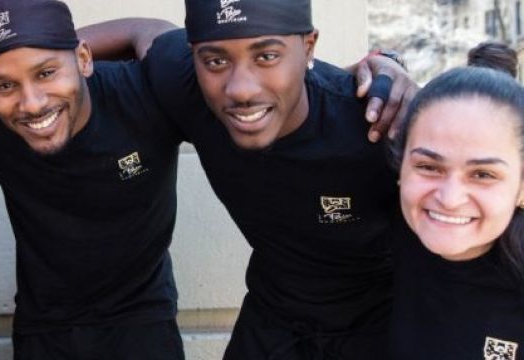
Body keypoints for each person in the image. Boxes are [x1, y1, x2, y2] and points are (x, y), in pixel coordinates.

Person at [96, 0, 412, 358]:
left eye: (267, 57)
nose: (241, 89)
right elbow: (143, 30)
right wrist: (34, 63)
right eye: (215, 60)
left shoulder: (375, 125)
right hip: (271, 324)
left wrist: (391, 61)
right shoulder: (186, 83)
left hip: (377, 328)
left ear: (308, 46)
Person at [0, 0, 186, 358]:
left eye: (46, 73)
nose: (31, 103)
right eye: (5, 84)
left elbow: (164, 37)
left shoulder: (142, 94)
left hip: (142, 317)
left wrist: (26, 46)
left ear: (83, 59)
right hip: (43, 325)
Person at [390, 66, 524, 359]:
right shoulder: (364, 255)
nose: (450, 199)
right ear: (400, 168)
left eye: (483, 174)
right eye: (428, 167)